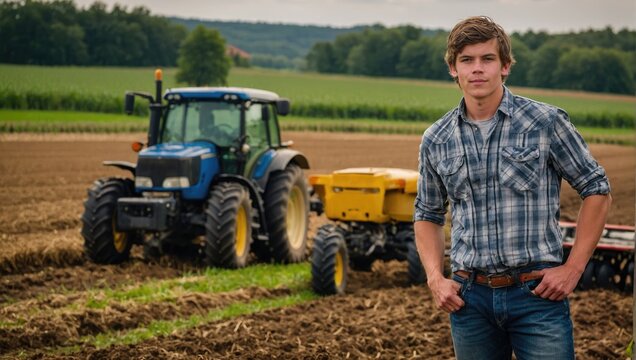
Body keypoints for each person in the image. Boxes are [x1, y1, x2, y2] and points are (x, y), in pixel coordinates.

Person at [413, 16, 612, 359]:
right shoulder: (437, 138)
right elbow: (427, 214)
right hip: (469, 299)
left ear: (505, 66)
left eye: (487, 59)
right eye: (467, 60)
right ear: (453, 69)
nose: (477, 69)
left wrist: (573, 268)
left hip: (536, 296)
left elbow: (597, 188)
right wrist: (435, 277)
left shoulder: (545, 122)